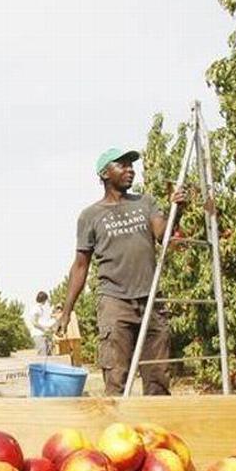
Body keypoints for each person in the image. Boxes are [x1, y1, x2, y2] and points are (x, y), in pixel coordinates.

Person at [55, 148, 184, 396]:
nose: (130, 170)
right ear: (105, 173)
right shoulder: (90, 216)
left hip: (151, 300)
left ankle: (157, 433)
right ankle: (116, 432)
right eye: (122, 165)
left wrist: (178, 209)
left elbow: (162, 236)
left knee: (158, 378)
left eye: (131, 165)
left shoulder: (145, 203)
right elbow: (81, 265)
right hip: (114, 302)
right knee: (116, 378)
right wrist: (67, 311)